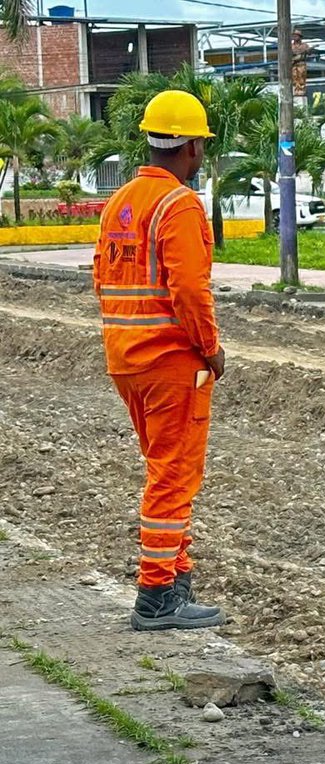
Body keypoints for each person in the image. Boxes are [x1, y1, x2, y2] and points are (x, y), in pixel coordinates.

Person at [93, 90, 227, 631]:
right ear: (192, 147)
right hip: (172, 363)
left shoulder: (118, 202)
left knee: (164, 471)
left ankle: (176, 579)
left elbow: (102, 279)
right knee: (174, 477)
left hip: (126, 360)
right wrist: (212, 349)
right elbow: (190, 290)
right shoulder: (179, 205)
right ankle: (156, 596)